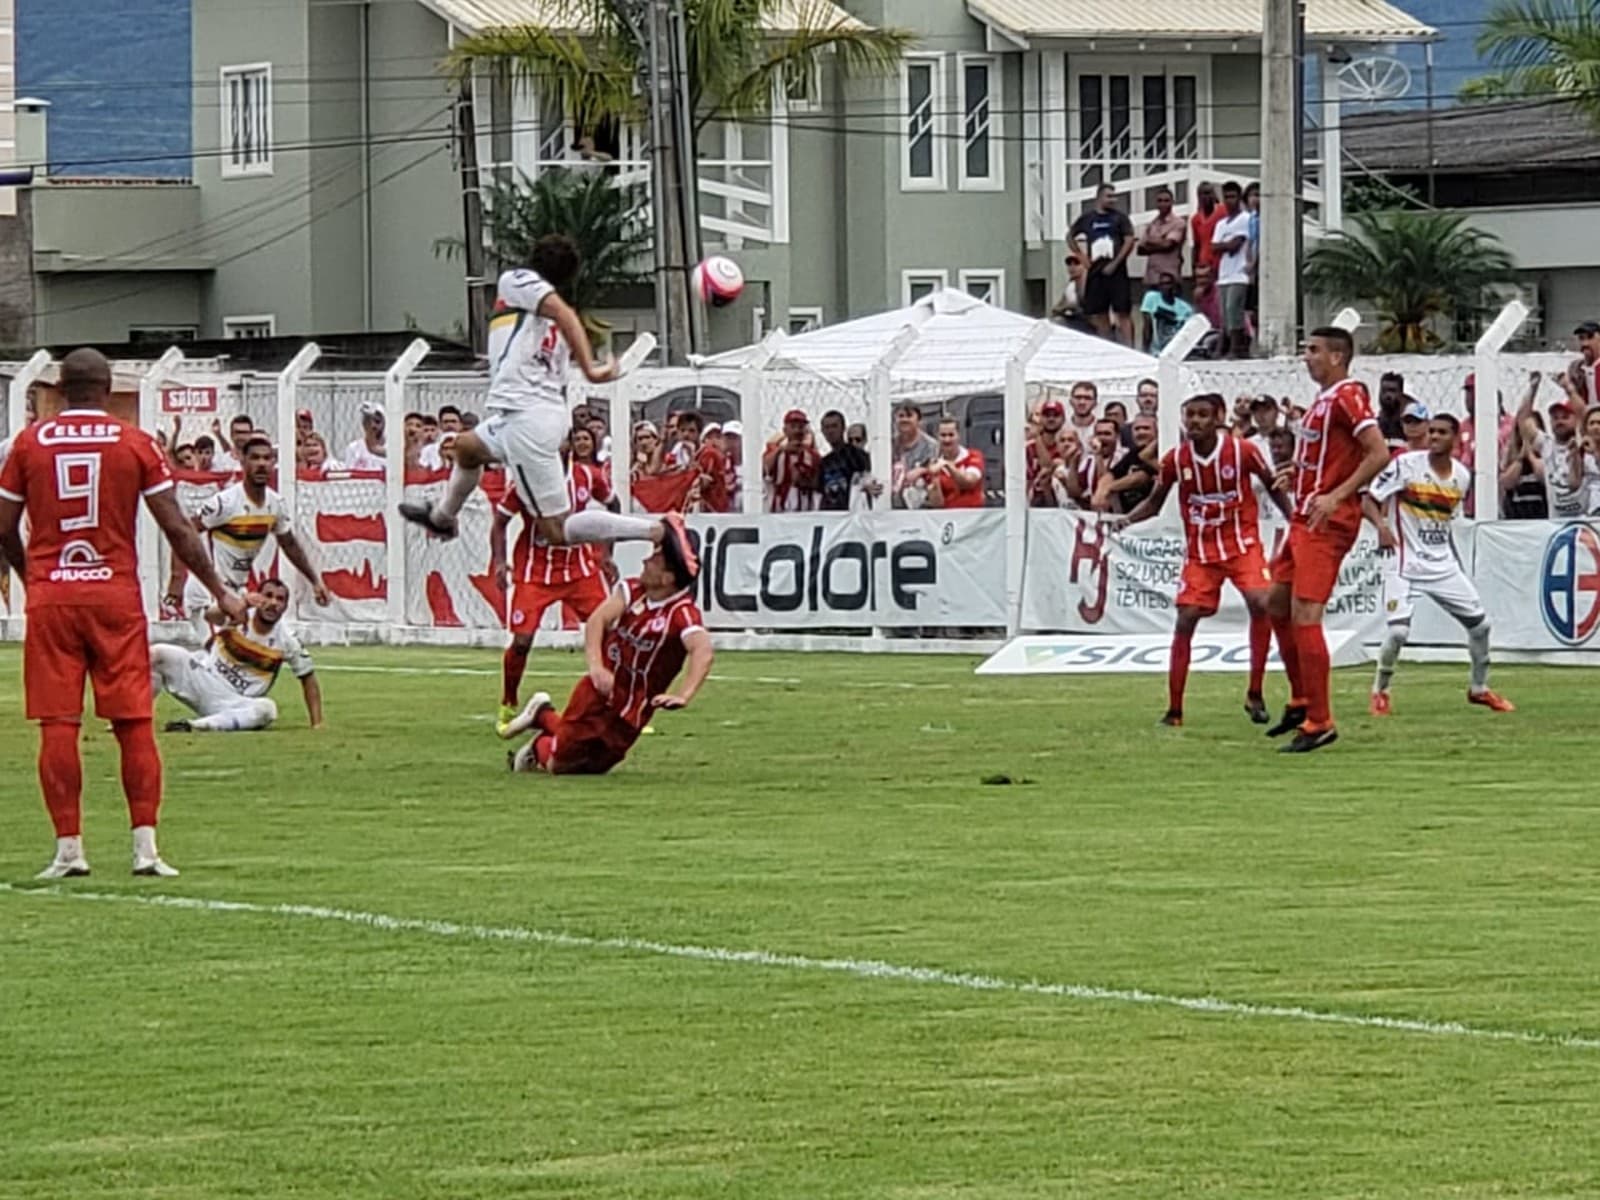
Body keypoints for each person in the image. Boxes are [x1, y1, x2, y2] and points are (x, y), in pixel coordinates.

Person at [0, 348, 248, 879]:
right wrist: (220, 592)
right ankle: (145, 849)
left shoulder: (28, 443)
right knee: (134, 723)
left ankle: (69, 850)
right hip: (114, 597)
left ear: (62, 388)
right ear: (108, 387)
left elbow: (2, 527)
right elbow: (178, 527)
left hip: (53, 599)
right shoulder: (134, 443)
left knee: (58, 724)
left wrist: (33, 578)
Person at [399, 234, 688, 567]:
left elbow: (564, 313)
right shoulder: (542, 320)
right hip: (526, 415)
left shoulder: (518, 283)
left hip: (527, 420)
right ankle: (442, 517)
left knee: (556, 529)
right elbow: (563, 319)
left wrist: (592, 372)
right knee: (466, 448)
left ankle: (658, 530)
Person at [1119, 394, 1288, 726]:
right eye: (1189, 415)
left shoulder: (1243, 452)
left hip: (1242, 545)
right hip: (1202, 553)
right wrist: (1125, 520)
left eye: (1202, 415)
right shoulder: (1176, 460)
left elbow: (1273, 486)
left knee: (1261, 601)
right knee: (1186, 618)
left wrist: (1295, 522)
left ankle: (1255, 692)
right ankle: (1174, 710)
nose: (1194, 422)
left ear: (1218, 418)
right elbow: (1155, 503)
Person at [1266, 327, 1390, 754]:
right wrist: (1296, 474)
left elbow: (1378, 453)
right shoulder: (1324, 400)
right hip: (1305, 516)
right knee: (1276, 603)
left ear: (1337, 357)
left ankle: (1320, 721)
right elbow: (1329, 458)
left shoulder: (1348, 396)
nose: (1306, 357)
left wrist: (1337, 495)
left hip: (1327, 521)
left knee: (1305, 612)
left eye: (1314, 350)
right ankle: (1302, 698)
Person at [501, 536, 711, 776]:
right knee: (560, 766)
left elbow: (702, 650)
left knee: (593, 769)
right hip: (597, 695)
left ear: (667, 578)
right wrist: (596, 667)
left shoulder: (682, 613)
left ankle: (543, 715)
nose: (645, 561)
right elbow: (597, 620)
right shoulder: (632, 592)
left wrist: (684, 695)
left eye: (654, 560)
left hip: (634, 711)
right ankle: (540, 746)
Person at [1363, 416, 1514, 715]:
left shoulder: (1461, 476)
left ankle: (1479, 689)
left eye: (1441, 432)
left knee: (1481, 625)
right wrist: (1381, 525)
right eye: (1431, 431)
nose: (1433, 437)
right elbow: (1369, 499)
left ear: (1455, 439)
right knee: (1397, 633)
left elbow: (1443, 521)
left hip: (1440, 562)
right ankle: (1380, 690)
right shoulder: (1406, 465)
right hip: (1402, 559)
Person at [490, 455, 615, 729]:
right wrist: (499, 562)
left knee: (610, 632)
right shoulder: (526, 481)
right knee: (522, 641)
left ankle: (620, 706)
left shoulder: (587, 475)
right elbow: (500, 522)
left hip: (580, 571)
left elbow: (612, 504)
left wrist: (606, 553)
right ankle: (508, 703)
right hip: (535, 574)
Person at [170, 434, 331, 627]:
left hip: (237, 591)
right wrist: (176, 579)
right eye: (255, 458)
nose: (261, 464)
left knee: (263, 645)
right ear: (243, 462)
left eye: (266, 458)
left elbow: (289, 543)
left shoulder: (275, 504)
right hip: (207, 593)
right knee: (225, 652)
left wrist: (315, 581)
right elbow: (183, 534)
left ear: (274, 463)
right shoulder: (224, 503)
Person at [153, 578, 324, 732]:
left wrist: (317, 724)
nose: (273, 603)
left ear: (286, 607)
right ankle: (140, 717)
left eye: (280, 599)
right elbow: (210, 617)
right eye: (268, 596)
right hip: (204, 681)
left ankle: (195, 726)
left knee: (267, 709)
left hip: (236, 703)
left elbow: (308, 677)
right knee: (158, 653)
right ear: (258, 597)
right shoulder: (239, 613)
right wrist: (241, 603)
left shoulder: (288, 640)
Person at [1069, 183, 1136, 344]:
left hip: (1117, 271)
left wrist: (1116, 262)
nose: (1113, 200)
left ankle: (1130, 348)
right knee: (1099, 313)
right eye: (1109, 196)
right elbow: (1070, 236)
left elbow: (1129, 240)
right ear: (1099, 197)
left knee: (1122, 311)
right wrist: (1082, 257)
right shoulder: (1088, 218)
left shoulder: (1120, 218)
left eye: (1114, 196)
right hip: (1096, 271)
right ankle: (1107, 345)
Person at [1517, 380, 1585, 519]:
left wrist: (1569, 388)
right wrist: (1533, 388)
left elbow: (1584, 413)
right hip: (1556, 521)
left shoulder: (1585, 442)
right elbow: (1523, 421)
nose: (1560, 422)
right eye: (1555, 418)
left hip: (1586, 520)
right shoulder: (1546, 444)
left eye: (1565, 417)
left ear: (1576, 420)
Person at [1212, 181, 1253, 359]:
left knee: (1234, 310)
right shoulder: (1221, 223)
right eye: (1226, 197)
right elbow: (1214, 247)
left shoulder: (1245, 219)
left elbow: (1236, 245)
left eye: (1233, 196)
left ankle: (1236, 348)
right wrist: (1226, 245)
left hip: (1240, 273)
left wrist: (1226, 245)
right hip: (1224, 274)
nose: (1229, 200)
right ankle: (1224, 347)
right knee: (1224, 314)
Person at [919, 417, 985, 508]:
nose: (947, 440)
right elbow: (937, 504)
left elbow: (968, 483)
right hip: (947, 517)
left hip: (973, 516)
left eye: (951, 435)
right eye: (943, 435)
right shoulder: (933, 464)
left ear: (958, 435)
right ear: (937, 437)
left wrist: (947, 465)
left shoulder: (973, 456)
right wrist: (934, 477)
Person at [817, 409, 876, 511]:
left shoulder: (857, 456)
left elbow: (868, 480)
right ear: (822, 431)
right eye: (827, 427)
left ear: (843, 428)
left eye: (834, 426)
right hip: (830, 515)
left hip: (853, 513)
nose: (831, 431)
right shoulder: (824, 462)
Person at [763, 409, 821, 512]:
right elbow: (764, 469)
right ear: (785, 430)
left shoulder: (813, 456)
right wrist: (781, 450)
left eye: (800, 427)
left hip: (804, 508)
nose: (797, 431)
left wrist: (803, 481)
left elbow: (818, 483)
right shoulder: (776, 453)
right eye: (793, 427)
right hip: (779, 510)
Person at [890, 402, 937, 508]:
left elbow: (937, 470)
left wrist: (922, 470)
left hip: (921, 506)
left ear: (919, 420)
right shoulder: (889, 445)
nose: (904, 420)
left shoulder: (931, 445)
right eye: (901, 416)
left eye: (909, 416)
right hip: (893, 506)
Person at [1140, 272, 1194, 355]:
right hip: (1155, 350)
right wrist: (1144, 350)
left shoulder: (1186, 308)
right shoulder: (1151, 298)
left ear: (1174, 285)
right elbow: (1147, 326)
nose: (1166, 287)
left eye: (1168, 283)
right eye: (1162, 284)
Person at [343, 402, 388, 472]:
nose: (372, 425)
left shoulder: (392, 449)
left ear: (384, 423)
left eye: (377, 421)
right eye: (368, 421)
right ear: (363, 424)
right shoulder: (353, 448)